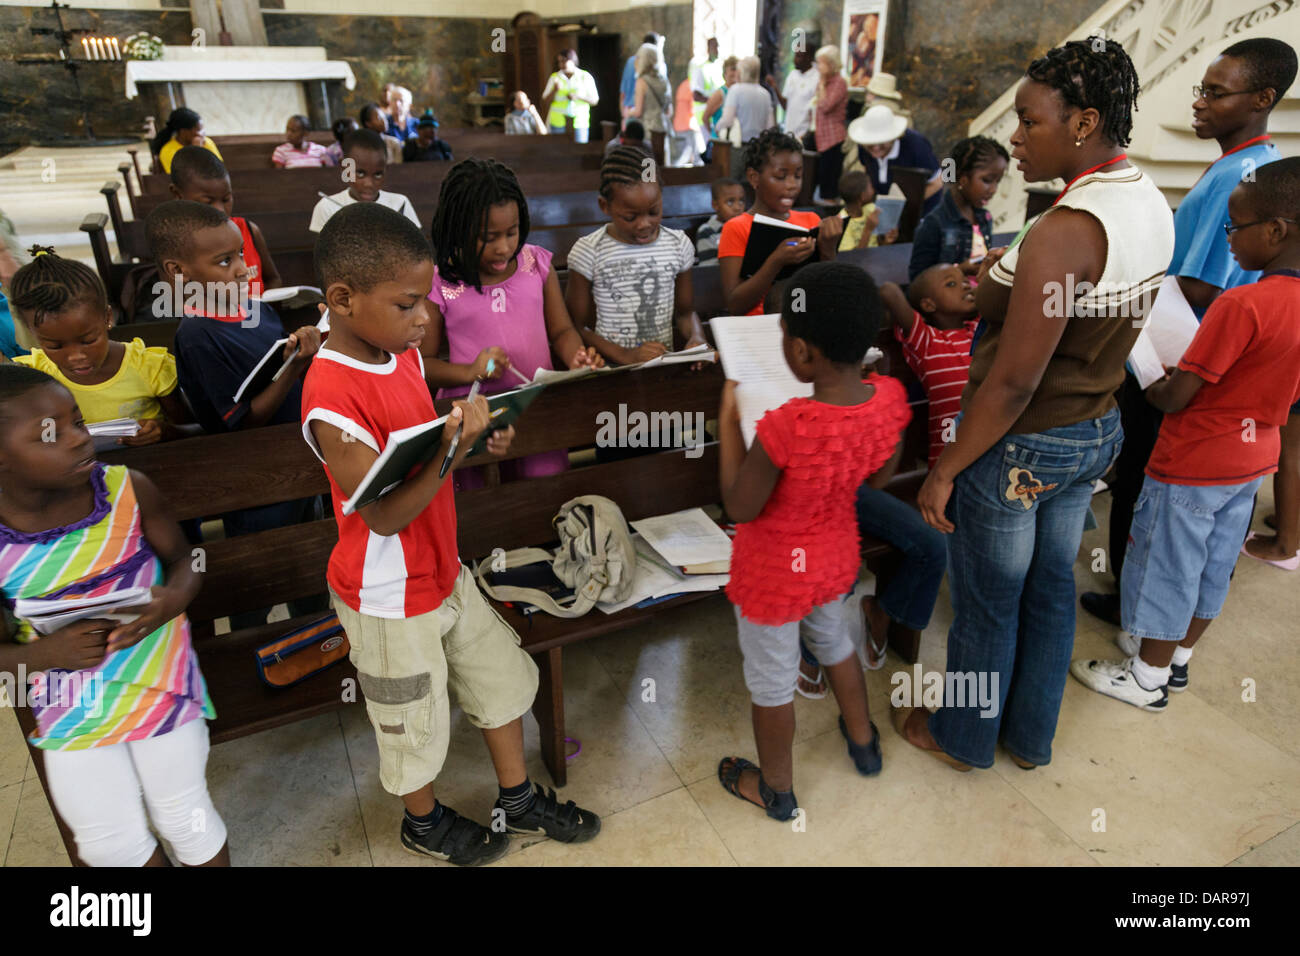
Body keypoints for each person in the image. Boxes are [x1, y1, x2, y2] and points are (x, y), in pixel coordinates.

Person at [904, 38, 1174, 772]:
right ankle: (1029, 737)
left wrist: (945, 469)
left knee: (990, 600)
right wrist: (1013, 276)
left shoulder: (1062, 231)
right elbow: (1081, 304)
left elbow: (1014, 381)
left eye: (1030, 121)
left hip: (1021, 442)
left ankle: (962, 737)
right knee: (1052, 588)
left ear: (1083, 122)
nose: (1016, 138)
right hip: (1094, 429)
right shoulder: (1146, 199)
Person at [304, 202, 601, 864]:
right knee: (411, 719)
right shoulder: (329, 394)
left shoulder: (396, 351)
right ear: (343, 300)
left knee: (497, 680)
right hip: (386, 595)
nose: (423, 320)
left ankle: (517, 799)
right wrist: (454, 451)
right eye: (409, 304)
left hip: (442, 567)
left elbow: (422, 440)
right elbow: (381, 512)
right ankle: (424, 821)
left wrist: (474, 436)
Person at [1082, 38, 1297, 621]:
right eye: (1202, 89)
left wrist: (1118, 293)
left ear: (1262, 98)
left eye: (1215, 93)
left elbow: (1200, 287)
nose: (1199, 103)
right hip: (1192, 354)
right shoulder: (1247, 166)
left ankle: (1138, 611)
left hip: (1180, 356)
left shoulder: (1246, 178)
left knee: (1147, 487)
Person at [1072, 157, 1300, 707]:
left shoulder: (1241, 302)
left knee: (1167, 565)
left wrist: (1152, 380)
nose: (1229, 243)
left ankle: (1145, 679)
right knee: (1213, 565)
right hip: (1254, 458)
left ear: (1275, 231)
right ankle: (1177, 660)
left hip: (1195, 458)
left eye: (1234, 228)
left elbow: (1177, 395)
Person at [0, 364, 228, 867]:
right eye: (50, 434)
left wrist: (173, 598)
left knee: (183, 815)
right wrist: (46, 652)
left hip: (158, 683)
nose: (80, 440)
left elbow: (187, 558)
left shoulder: (127, 489)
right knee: (107, 842)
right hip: (68, 703)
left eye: (78, 422)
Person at [716, 262, 910, 819]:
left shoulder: (786, 425)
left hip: (774, 574)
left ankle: (776, 789)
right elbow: (875, 479)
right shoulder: (889, 398)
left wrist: (728, 421)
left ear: (802, 354)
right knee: (835, 642)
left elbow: (740, 506)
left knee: (772, 680)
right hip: (832, 557)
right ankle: (863, 742)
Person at [147, 200, 326, 627]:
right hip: (250, 477)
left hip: (296, 456)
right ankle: (249, 655)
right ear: (179, 272)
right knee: (259, 578)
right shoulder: (196, 335)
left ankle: (316, 640)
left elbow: (274, 369)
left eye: (241, 254)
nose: (243, 269)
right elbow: (242, 420)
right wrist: (296, 364)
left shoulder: (255, 307)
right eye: (225, 261)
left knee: (310, 563)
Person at [423, 158, 599, 489]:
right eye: (488, 237)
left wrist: (576, 355)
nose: (503, 247)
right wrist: (469, 370)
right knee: (483, 500)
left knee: (544, 490)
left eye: (511, 232)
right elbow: (422, 365)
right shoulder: (442, 281)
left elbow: (561, 331)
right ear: (458, 228)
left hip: (535, 407)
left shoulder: (535, 264)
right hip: (473, 417)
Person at [8, 247, 193, 444]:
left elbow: (190, 430)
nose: (75, 356)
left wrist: (162, 431)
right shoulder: (33, 378)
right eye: (55, 346)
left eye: (88, 341)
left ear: (107, 317)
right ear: (32, 333)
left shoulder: (150, 368)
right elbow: (36, 442)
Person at [566, 146, 706, 366]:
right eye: (630, 217)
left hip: (661, 368)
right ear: (605, 206)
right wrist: (625, 355)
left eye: (653, 212)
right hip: (612, 370)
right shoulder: (589, 251)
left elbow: (685, 313)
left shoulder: (678, 245)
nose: (644, 224)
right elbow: (576, 326)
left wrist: (697, 338)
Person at [718, 128, 843, 316]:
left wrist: (828, 249)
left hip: (803, 321)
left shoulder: (811, 220)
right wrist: (776, 261)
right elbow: (735, 305)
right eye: (781, 176)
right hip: (757, 328)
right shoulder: (736, 227)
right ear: (754, 178)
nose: (792, 185)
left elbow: (826, 291)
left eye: (798, 176)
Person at [879, 265, 979, 468]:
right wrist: (961, 267)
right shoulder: (926, 340)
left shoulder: (980, 329)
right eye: (951, 284)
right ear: (929, 305)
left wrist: (979, 273)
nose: (965, 286)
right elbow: (889, 291)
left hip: (991, 441)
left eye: (966, 281)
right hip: (951, 453)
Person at [169, 146, 281, 297]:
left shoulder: (248, 230)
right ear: (178, 194)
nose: (220, 210)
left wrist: (265, 304)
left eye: (226, 199)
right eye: (208, 202)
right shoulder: (177, 245)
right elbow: (178, 301)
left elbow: (273, 279)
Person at [909, 136, 1008, 280]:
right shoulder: (934, 223)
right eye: (987, 180)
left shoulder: (985, 218)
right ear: (962, 177)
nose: (993, 189)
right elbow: (917, 281)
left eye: (997, 182)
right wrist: (960, 269)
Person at [310, 129, 419, 234]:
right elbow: (323, 251)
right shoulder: (327, 208)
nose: (369, 184)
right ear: (346, 169)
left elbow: (416, 248)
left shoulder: (399, 203)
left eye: (378, 174)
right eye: (360, 173)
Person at [849, 104, 943, 216]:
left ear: (894, 137)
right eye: (870, 142)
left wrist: (904, 206)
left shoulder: (916, 146)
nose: (875, 147)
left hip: (921, 211)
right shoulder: (863, 147)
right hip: (884, 208)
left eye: (882, 141)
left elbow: (938, 181)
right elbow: (867, 170)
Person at [809, 46, 849, 204]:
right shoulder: (822, 82)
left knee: (829, 187)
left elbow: (826, 106)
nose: (818, 67)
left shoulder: (840, 83)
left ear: (831, 64)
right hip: (820, 137)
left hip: (833, 139)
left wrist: (822, 86)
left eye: (821, 63)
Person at [716, 56, 775, 149]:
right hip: (759, 146)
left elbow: (727, 120)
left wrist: (717, 128)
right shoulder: (765, 94)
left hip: (740, 145)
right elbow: (770, 126)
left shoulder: (735, 90)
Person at [629, 43, 673, 165]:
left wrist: (629, 111)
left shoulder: (641, 81)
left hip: (647, 132)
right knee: (663, 166)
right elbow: (669, 111)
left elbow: (638, 111)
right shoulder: (664, 80)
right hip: (662, 129)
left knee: (649, 168)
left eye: (638, 57)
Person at [543, 49, 600, 144]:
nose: (561, 64)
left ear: (573, 60)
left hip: (580, 122)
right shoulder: (554, 77)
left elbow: (595, 100)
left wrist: (578, 97)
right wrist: (554, 90)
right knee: (558, 151)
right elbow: (545, 101)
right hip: (558, 122)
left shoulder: (585, 76)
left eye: (564, 60)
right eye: (559, 62)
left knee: (580, 152)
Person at [836, 170, 898, 250]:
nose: (873, 190)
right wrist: (868, 230)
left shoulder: (871, 209)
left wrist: (886, 242)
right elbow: (852, 258)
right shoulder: (842, 222)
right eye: (871, 187)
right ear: (863, 196)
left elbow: (876, 246)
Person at [765, 48, 818, 142]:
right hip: (789, 132)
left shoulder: (817, 77)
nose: (795, 60)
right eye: (795, 55)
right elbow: (786, 106)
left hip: (805, 134)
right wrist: (774, 87)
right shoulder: (792, 75)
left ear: (808, 58)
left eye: (799, 56)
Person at [152, 108, 222, 175]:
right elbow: (185, 178)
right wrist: (196, 150)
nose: (203, 134)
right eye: (199, 130)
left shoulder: (206, 142)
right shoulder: (168, 151)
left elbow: (220, 169)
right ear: (183, 132)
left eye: (202, 129)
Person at [695, 177, 745, 262]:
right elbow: (710, 268)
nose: (737, 207)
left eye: (741, 201)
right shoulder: (706, 231)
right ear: (715, 205)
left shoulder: (747, 226)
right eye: (730, 202)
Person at [622, 33, 662, 120]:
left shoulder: (631, 63)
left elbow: (623, 91)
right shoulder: (661, 74)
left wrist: (624, 112)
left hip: (635, 113)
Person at [690, 37, 725, 132]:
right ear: (708, 49)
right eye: (715, 47)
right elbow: (696, 96)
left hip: (716, 115)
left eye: (718, 47)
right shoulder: (701, 69)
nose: (717, 50)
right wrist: (713, 102)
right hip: (704, 114)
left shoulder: (718, 68)